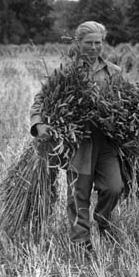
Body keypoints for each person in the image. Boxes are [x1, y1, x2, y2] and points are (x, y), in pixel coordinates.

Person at [30, 21, 123, 252]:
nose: (94, 47)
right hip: (78, 144)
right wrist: (39, 125)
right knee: (78, 194)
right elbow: (40, 101)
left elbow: (125, 103)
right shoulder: (66, 72)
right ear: (78, 43)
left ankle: (103, 222)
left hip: (106, 143)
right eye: (88, 43)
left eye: (98, 43)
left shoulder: (114, 71)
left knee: (114, 187)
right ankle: (81, 241)